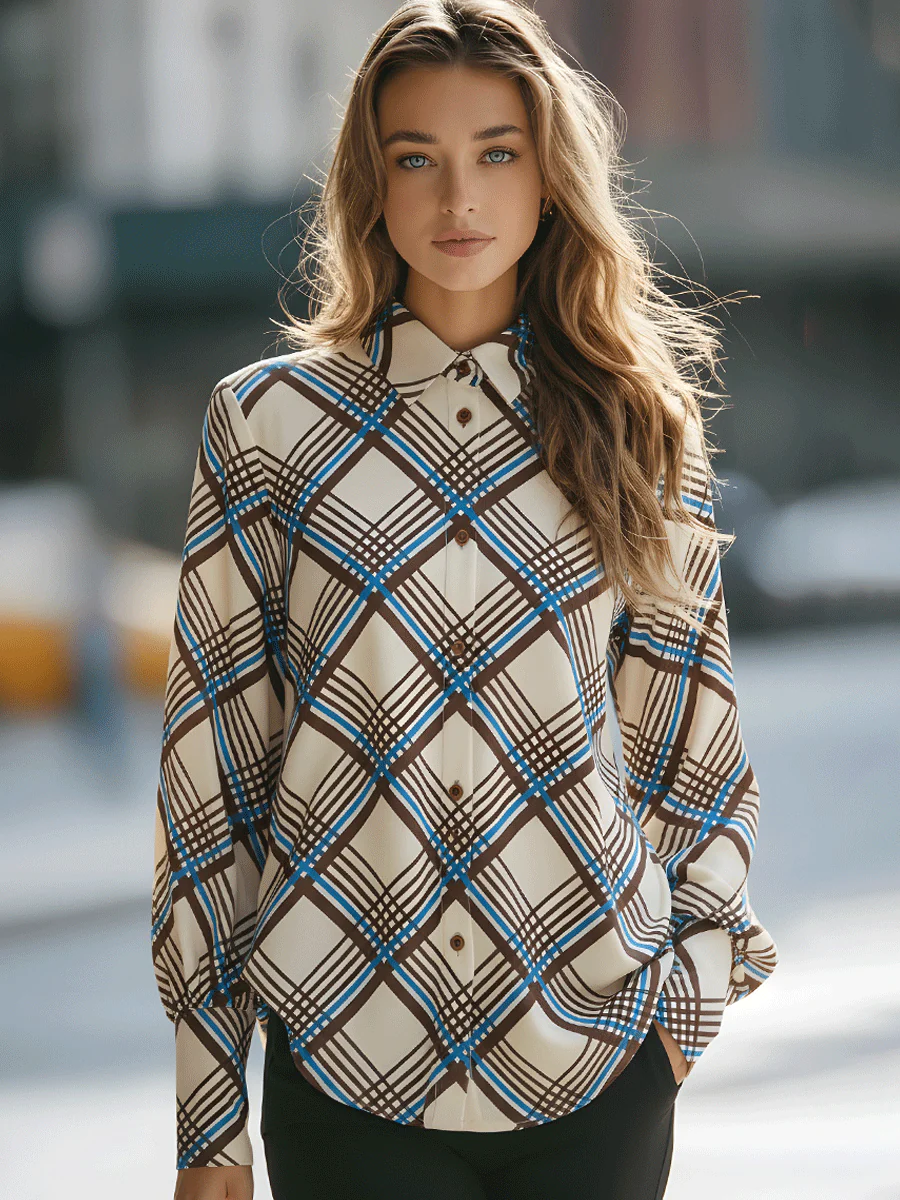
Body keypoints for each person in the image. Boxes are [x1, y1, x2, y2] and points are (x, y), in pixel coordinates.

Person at [153, 2, 778, 1198]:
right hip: (346, 1069)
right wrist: (208, 1115)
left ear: (549, 178)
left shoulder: (640, 430)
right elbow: (212, 782)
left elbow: (695, 760)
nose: (458, 200)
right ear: (369, 184)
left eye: (497, 152)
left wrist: (674, 1023)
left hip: (594, 1067)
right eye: (416, 159)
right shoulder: (268, 430)